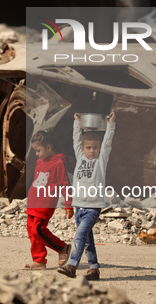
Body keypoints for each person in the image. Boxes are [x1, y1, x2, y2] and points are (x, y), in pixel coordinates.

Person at [58, 111, 116, 281]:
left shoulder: (100, 161)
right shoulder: (80, 156)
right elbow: (76, 140)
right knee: (88, 240)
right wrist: (77, 122)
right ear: (82, 149)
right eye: (88, 148)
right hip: (79, 206)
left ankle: (72, 265)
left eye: (95, 148)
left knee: (80, 235)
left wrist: (111, 124)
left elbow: (108, 143)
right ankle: (94, 269)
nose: (92, 151)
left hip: (93, 207)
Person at [25, 129, 74, 270]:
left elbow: (65, 185)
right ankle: (39, 261)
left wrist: (68, 204)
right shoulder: (40, 162)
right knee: (31, 230)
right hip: (34, 203)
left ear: (49, 147)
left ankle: (62, 247)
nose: (36, 154)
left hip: (46, 204)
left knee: (38, 230)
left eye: (38, 150)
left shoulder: (58, 163)